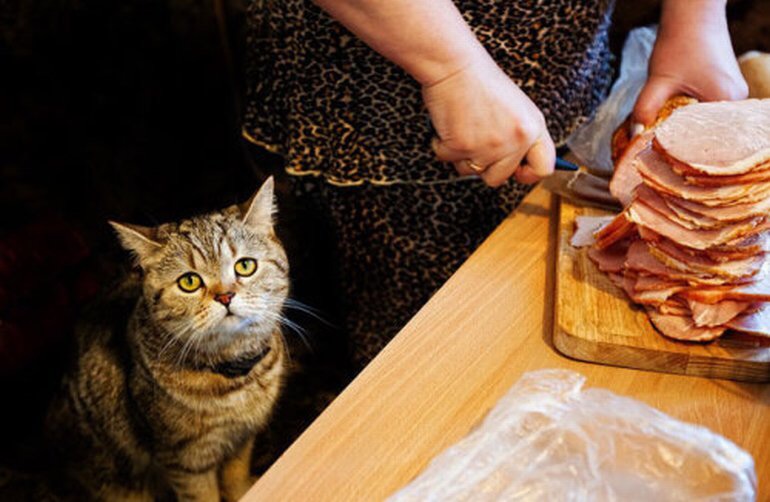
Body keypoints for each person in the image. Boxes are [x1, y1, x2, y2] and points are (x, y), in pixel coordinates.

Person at [243, 0, 747, 370]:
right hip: (385, 92)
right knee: (437, 364)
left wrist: (696, 18)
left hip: (570, 76)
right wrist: (451, 67)